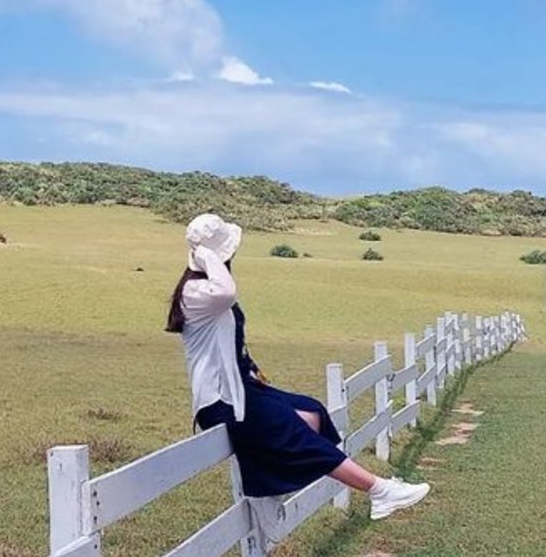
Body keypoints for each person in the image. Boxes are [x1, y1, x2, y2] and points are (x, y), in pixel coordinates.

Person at [166, 213, 430, 522]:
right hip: (221, 401)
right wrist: (208, 255)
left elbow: (228, 338)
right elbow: (227, 292)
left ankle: (270, 482)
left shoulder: (205, 287)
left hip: (242, 386)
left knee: (312, 413)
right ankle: (379, 491)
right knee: (294, 433)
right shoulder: (195, 292)